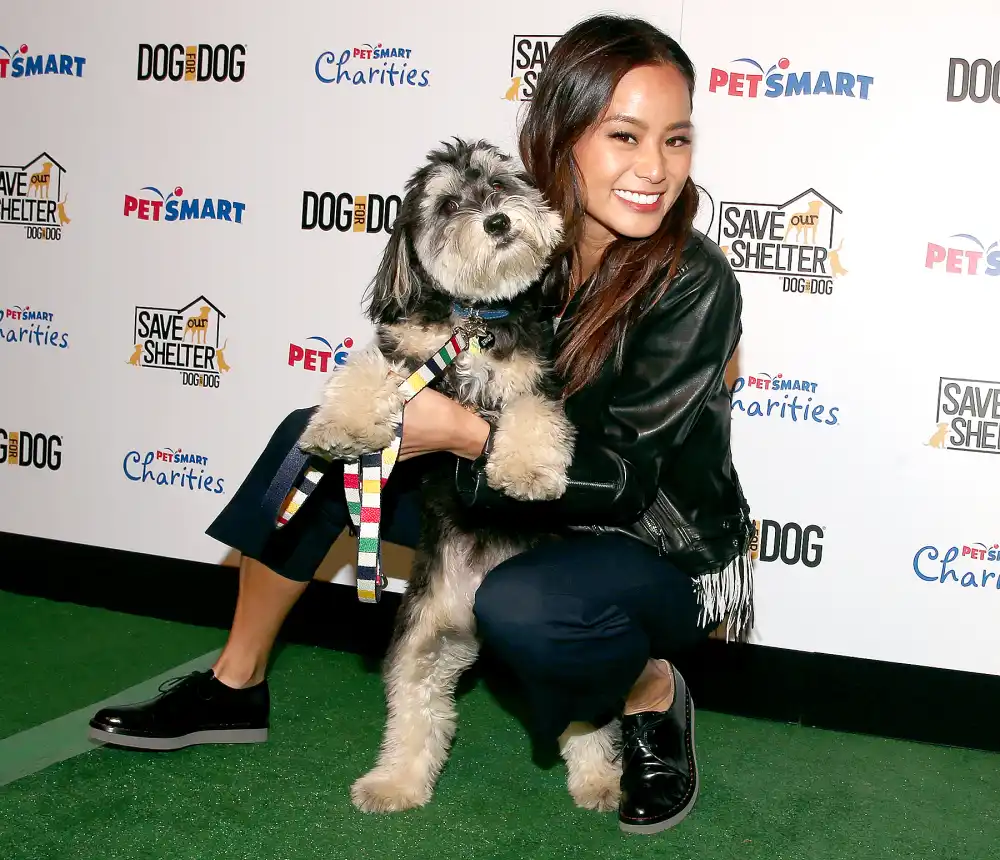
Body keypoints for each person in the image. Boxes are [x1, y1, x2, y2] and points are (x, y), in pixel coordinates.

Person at [88, 14, 754, 835]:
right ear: (562, 136)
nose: (654, 168)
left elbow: (627, 480)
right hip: (510, 494)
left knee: (519, 604)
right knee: (316, 438)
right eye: (625, 135)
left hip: (639, 533)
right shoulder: (520, 230)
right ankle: (234, 683)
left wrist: (462, 436)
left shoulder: (693, 279)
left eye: (677, 140)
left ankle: (650, 691)